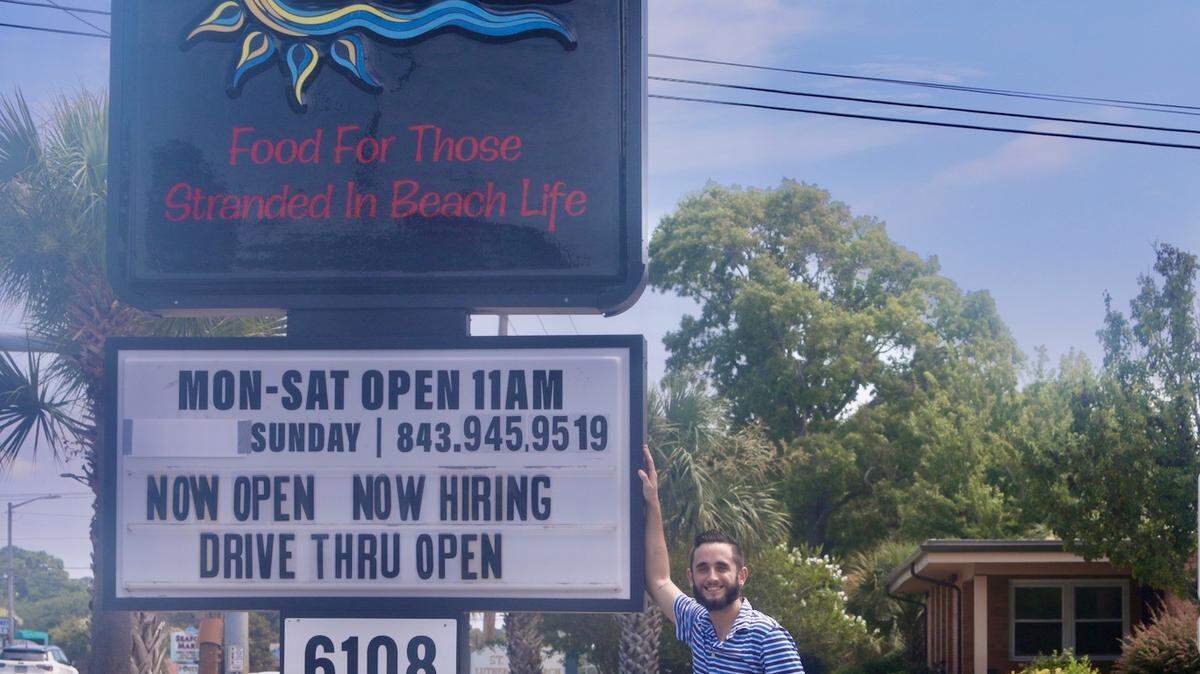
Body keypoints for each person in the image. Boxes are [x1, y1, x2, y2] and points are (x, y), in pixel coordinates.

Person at [639, 445, 805, 673]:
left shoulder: (767, 638)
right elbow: (659, 580)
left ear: (742, 575)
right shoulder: (697, 624)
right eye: (703, 568)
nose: (712, 577)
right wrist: (653, 502)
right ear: (691, 577)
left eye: (722, 567)